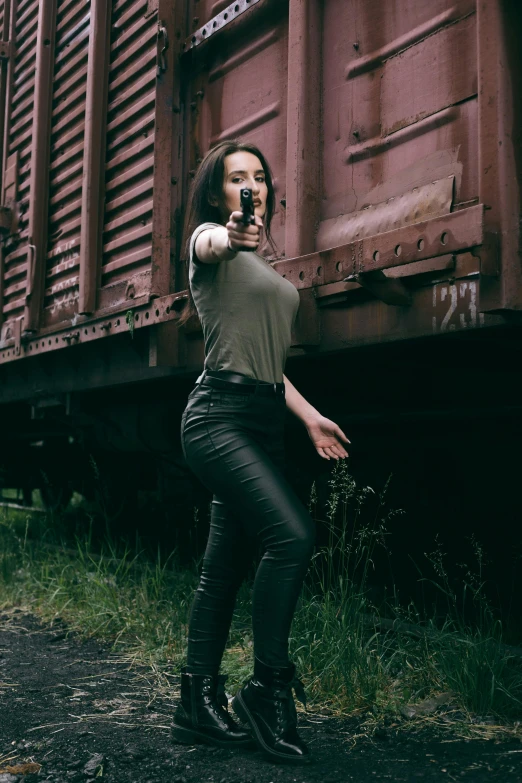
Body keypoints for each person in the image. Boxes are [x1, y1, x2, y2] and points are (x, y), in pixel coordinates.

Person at [172, 140, 350, 764]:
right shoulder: (210, 246)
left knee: (223, 565)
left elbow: (271, 363)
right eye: (236, 178)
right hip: (217, 417)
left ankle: (196, 701)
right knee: (292, 537)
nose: (252, 186)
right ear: (219, 194)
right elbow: (209, 244)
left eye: (259, 176)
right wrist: (229, 234)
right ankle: (267, 691)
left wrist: (309, 418)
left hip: (264, 416)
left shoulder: (271, 272)